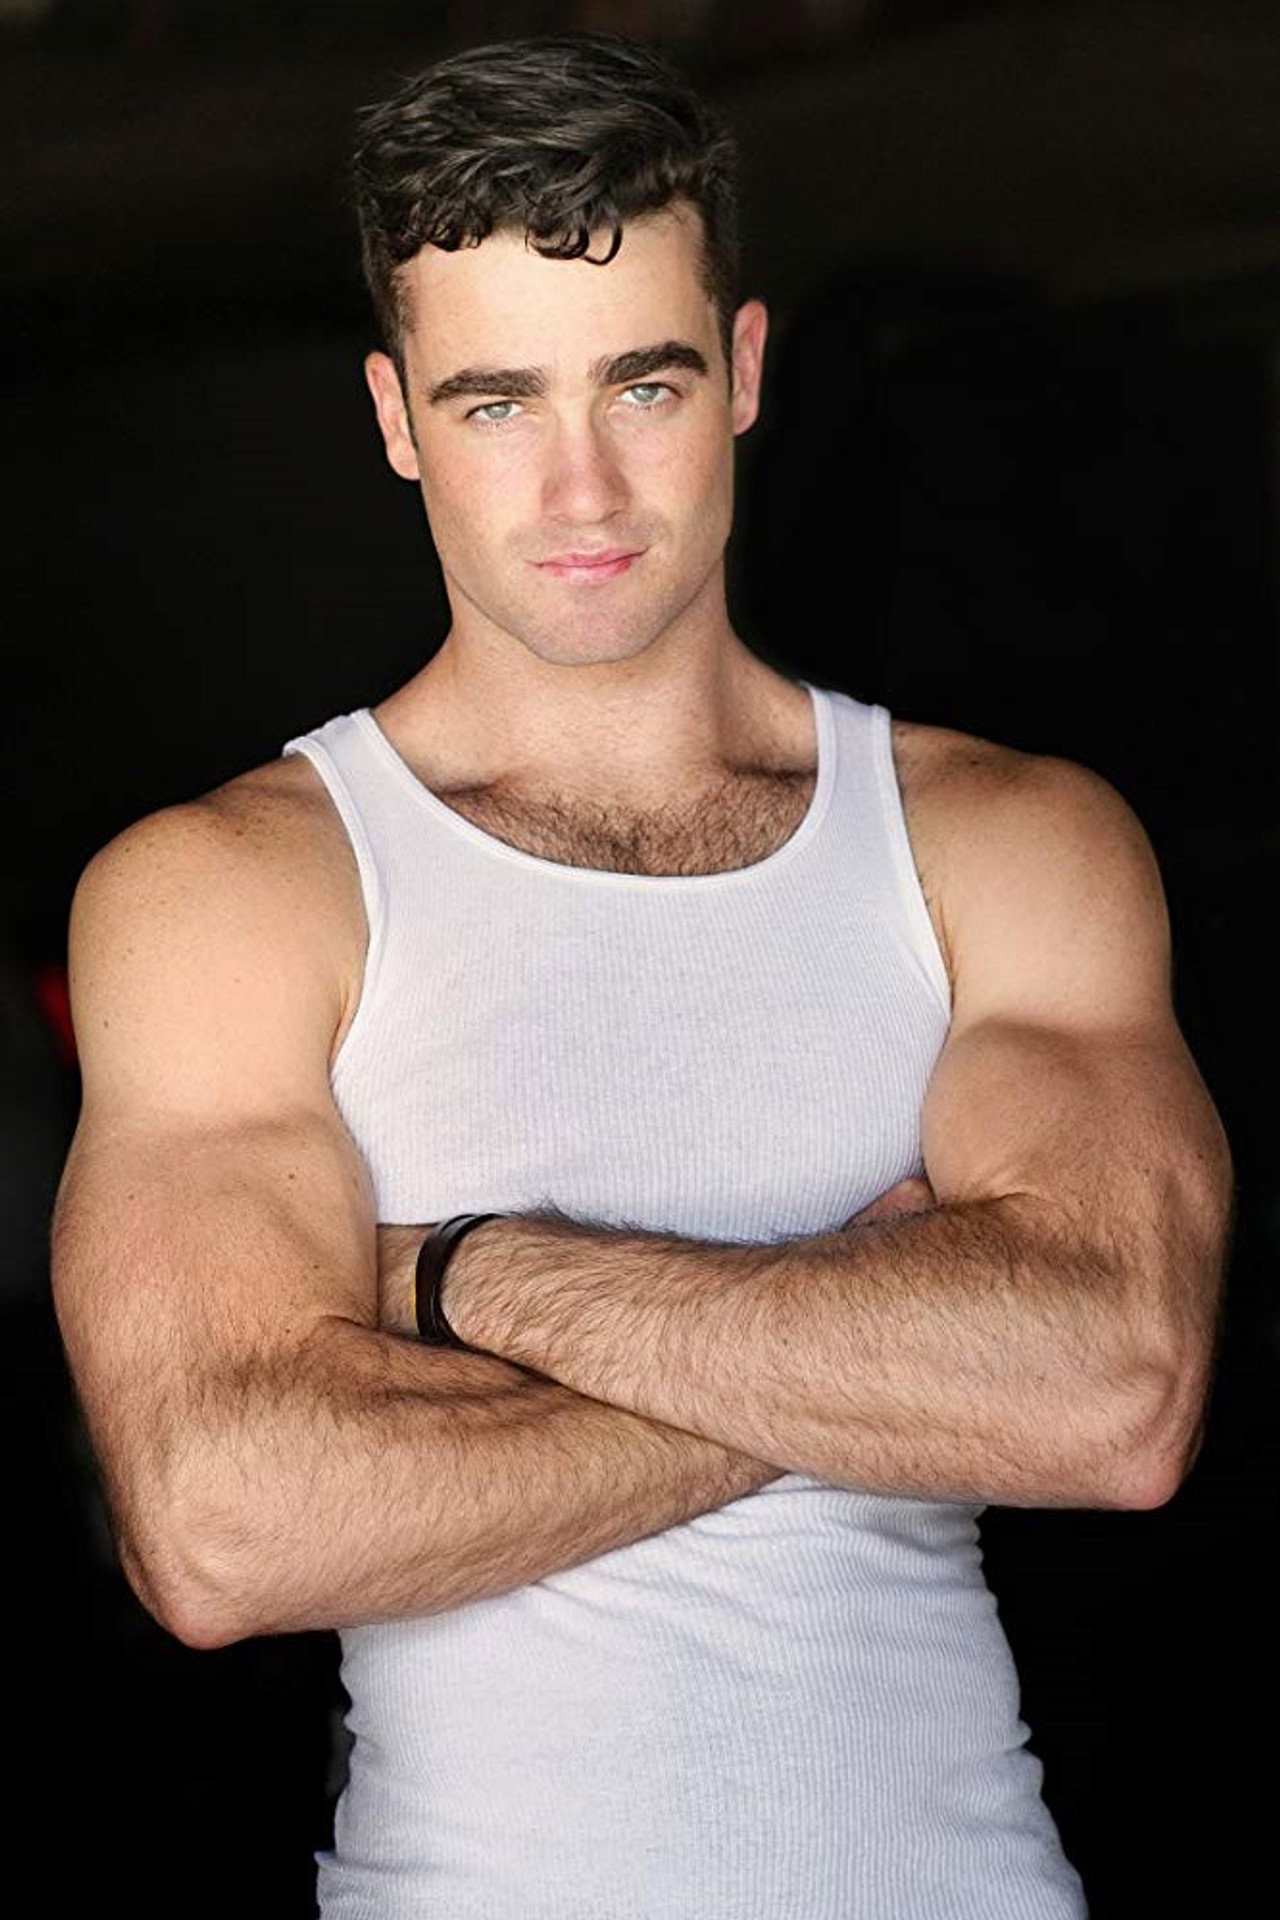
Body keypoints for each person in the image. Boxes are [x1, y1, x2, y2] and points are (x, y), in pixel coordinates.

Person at [50, 31, 1232, 1920]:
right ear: (396, 418)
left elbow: (1113, 1394)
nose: (584, 487)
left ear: (744, 371)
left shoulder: (1007, 843)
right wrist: (877, 1345)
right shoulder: (234, 894)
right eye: (497, 401)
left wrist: (476, 1279)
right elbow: (227, 1529)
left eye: (644, 383)